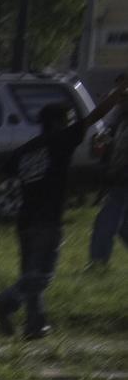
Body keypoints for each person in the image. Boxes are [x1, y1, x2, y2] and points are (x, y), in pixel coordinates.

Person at [0, 83, 127, 340]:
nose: (71, 122)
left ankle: (35, 324)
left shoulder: (26, 149)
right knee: (44, 276)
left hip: (25, 220)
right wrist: (118, 94)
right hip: (47, 219)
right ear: (58, 122)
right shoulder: (61, 140)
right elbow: (94, 117)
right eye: (68, 119)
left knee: (30, 274)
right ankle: (5, 301)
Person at [88, 78, 128, 268]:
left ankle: (99, 260)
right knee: (123, 223)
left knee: (107, 220)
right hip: (119, 177)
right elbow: (103, 139)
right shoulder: (120, 120)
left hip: (122, 179)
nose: (120, 102)